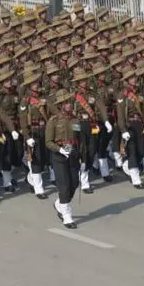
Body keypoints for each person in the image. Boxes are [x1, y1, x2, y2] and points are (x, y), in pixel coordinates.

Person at [45, 90, 81, 229]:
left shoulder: (75, 119)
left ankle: (60, 203)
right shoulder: (53, 121)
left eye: (70, 102)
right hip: (59, 156)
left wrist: (81, 155)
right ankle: (67, 216)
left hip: (72, 154)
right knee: (64, 186)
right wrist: (59, 149)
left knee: (74, 183)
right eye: (66, 103)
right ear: (60, 105)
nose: (69, 105)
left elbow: (78, 138)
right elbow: (48, 142)